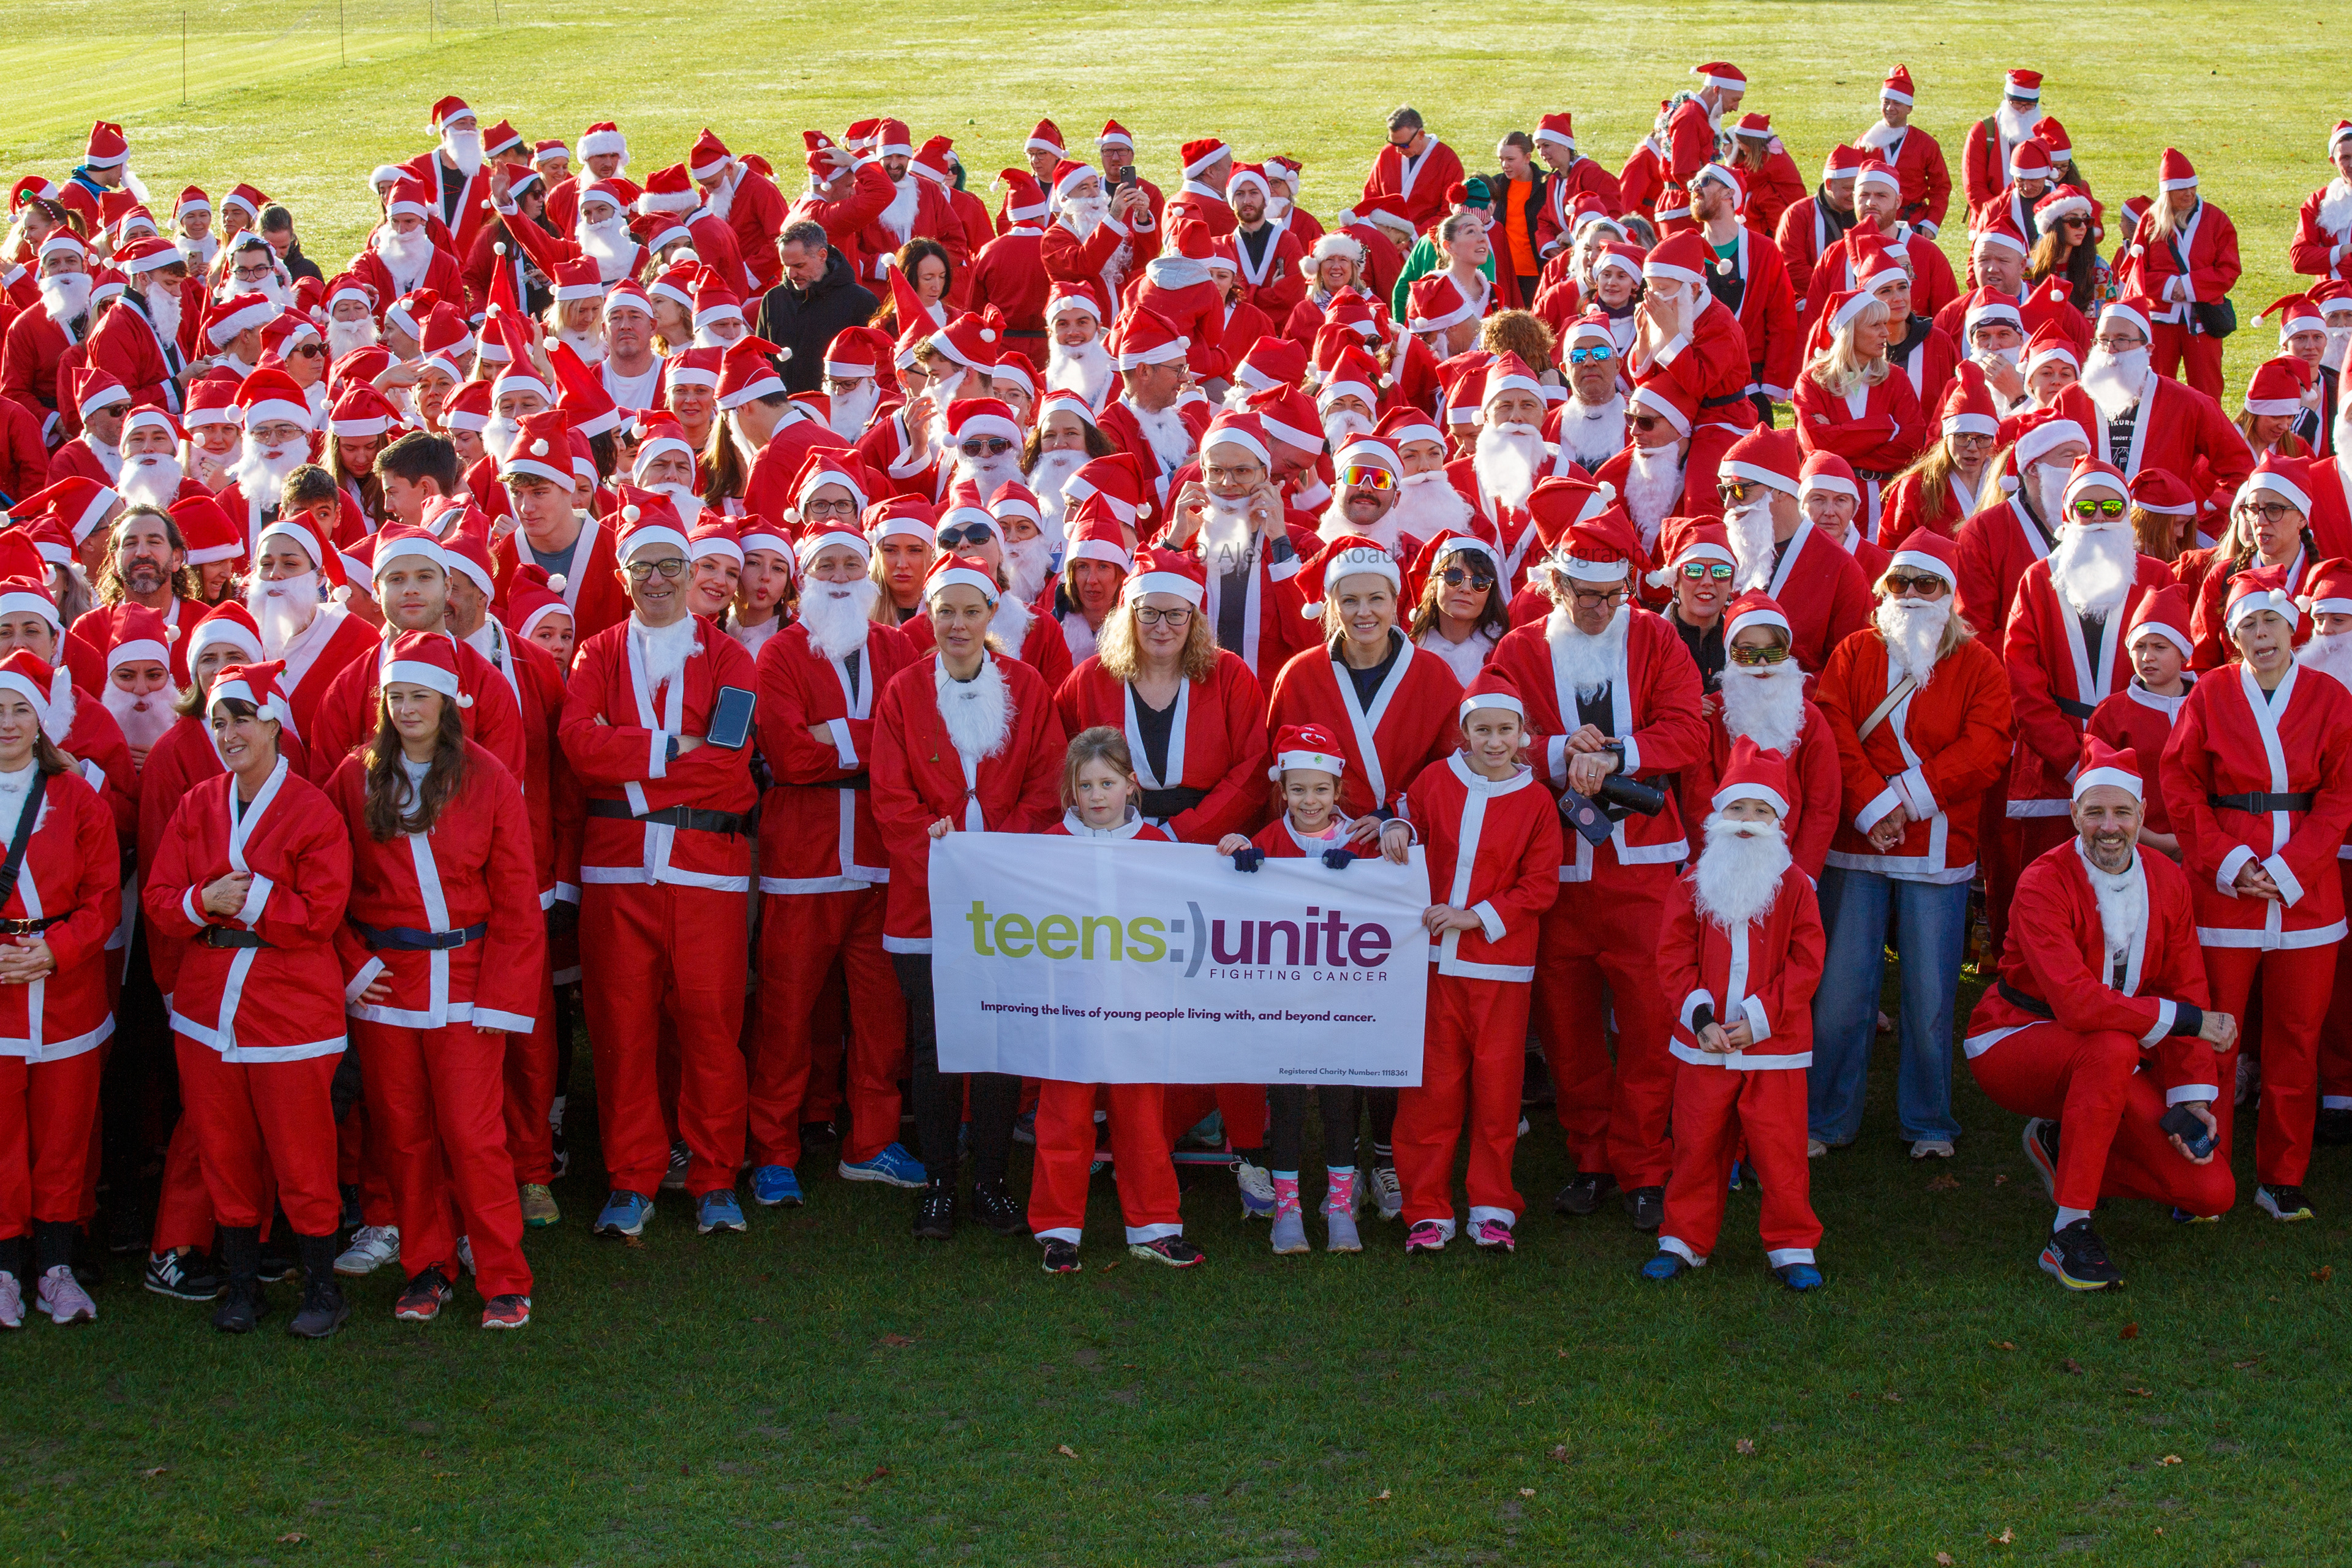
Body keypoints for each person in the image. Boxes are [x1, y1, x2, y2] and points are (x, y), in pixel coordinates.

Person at [1489, 499, 1706, 1227]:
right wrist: (1558, 753)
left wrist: (1616, 753)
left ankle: (1646, 1163)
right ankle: (1590, 1157)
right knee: (1569, 1021)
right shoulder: (1519, 649)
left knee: (1649, 1021)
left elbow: (1686, 733)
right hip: (1557, 866)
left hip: (1646, 860)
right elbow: (1490, 731)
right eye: (1584, 594)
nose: (1598, 608)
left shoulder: (1655, 638)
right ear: (1556, 586)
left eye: (1611, 595)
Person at [325, 633, 543, 1329]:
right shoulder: (354, 775)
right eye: (396, 696)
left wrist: (503, 998)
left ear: (446, 701)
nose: (407, 707)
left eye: (420, 694)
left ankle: (504, 1275)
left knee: (474, 1136)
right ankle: (426, 1266)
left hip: (469, 986)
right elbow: (323, 886)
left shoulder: (485, 776)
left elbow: (515, 896)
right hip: (388, 988)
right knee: (405, 1135)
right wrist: (354, 966)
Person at [1964, 737, 2237, 1287]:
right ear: (2074, 815)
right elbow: (2079, 1003)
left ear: (2141, 814)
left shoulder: (2168, 878)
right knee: (2111, 1049)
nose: (2108, 827)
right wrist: (2185, 1021)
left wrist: (2192, 1096)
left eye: (2121, 812)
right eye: (2094, 813)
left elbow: (2185, 983)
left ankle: (2062, 1146)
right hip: (2017, 1037)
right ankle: (2069, 1231)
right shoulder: (2043, 881)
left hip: (2112, 1051)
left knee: (2211, 1194)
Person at [559, 499, 760, 1241]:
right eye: (641, 566)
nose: (656, 579)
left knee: (711, 1026)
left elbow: (732, 756)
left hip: (707, 870)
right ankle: (630, 1176)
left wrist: (634, 758)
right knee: (622, 1029)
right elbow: (579, 745)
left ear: (692, 572)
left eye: (670, 565)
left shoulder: (731, 656)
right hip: (618, 874)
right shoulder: (598, 652)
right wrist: (675, 749)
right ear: (621, 574)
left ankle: (713, 1175)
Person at [143, 660, 355, 1337]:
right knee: (223, 1148)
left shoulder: (313, 807)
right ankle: (241, 1286)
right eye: (217, 720)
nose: (227, 731)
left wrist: (250, 897)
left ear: (273, 723)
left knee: (303, 1155)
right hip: (208, 1010)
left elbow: (320, 914)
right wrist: (202, 900)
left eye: (239, 716)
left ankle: (321, 1288)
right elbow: (157, 899)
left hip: (290, 1010)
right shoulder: (196, 802)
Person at [870, 552, 1063, 1240]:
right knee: (935, 1046)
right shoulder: (902, 691)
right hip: (926, 903)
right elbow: (891, 799)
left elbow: (1048, 785)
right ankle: (939, 1186)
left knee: (1001, 1042)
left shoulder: (1030, 686)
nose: (956, 623)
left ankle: (989, 1184)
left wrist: (996, 853)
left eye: (970, 610)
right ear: (928, 615)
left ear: (991, 616)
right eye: (944, 609)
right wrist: (943, 850)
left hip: (1008, 900)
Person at [1810, 532, 2013, 1158]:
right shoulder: (1852, 653)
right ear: (1884, 590)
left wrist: (1905, 798)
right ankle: (1825, 1116)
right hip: (1859, 837)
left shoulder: (1980, 663)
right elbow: (1832, 728)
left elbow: (1987, 745)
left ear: (1951, 595)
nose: (1914, 595)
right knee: (1842, 993)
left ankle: (1927, 1120)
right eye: (1902, 583)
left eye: (1929, 584)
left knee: (1929, 994)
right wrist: (1874, 804)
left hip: (1937, 847)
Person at [2160, 567, 2352, 1223]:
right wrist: (2231, 862)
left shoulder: (2331, 697)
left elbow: (2340, 795)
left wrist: (2292, 867)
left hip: (2308, 896)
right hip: (2226, 892)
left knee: (2296, 1039)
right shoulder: (2209, 694)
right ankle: (2203, 1177)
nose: (2261, 634)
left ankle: (2283, 1176)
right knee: (2213, 1037)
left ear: (2292, 626)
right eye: (2247, 625)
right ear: (2232, 634)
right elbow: (2181, 787)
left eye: (2270, 621)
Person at [747, 526, 924, 1207]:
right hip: (804, 857)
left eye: (854, 562)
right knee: (787, 1013)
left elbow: (915, 741)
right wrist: (870, 743)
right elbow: (789, 756)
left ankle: (872, 1143)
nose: (843, 574)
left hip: (882, 856)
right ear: (805, 576)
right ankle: (773, 1148)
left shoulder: (899, 646)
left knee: (881, 1016)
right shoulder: (781, 653)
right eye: (828, 564)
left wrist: (835, 736)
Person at [1381, 671, 1562, 1256]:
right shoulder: (1437, 779)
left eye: (1505, 730)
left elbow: (1539, 887)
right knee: (1431, 1092)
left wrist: (1476, 916)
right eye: (1482, 729)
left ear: (1523, 735)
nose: (1493, 741)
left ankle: (1491, 1205)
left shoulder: (1536, 801)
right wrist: (1397, 828)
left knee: (1498, 1093)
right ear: (1463, 733)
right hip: (1434, 968)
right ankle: (1426, 1208)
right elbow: (1408, 819)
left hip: (1501, 971)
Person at [1640, 740, 1828, 1289]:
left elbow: (1807, 959)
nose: (1748, 821)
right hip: (1705, 1043)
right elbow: (1673, 956)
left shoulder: (1794, 886)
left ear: (1779, 821)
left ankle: (1793, 1245)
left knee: (1781, 1149)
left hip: (1775, 1047)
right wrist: (1700, 1017)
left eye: (1762, 811)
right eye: (1738, 809)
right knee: (1697, 1143)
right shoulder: (1694, 883)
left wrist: (1760, 1017)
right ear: (1718, 815)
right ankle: (1683, 1239)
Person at [1030, 727, 1196, 1271]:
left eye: (1107, 782)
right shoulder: (1047, 847)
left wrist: (1232, 850)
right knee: (1063, 1118)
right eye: (1085, 786)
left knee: (1144, 1119)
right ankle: (1058, 1233)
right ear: (1070, 793)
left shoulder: (1160, 850)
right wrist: (947, 843)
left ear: (1131, 786)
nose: (1097, 796)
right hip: (1068, 1011)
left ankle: (1154, 1227)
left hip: (1137, 1013)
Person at [0, 649, 121, 1329]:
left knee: (64, 1136)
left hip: (66, 991)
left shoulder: (76, 797)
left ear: (43, 720)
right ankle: (4, 1270)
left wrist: (54, 951)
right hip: (1, 993)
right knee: (2, 1139)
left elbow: (103, 897)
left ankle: (53, 1266)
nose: (9, 723)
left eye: (21, 709)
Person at [2116, 150, 2239, 402]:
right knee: (2155, 388)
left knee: (2208, 392)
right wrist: (2171, 286)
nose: (2189, 194)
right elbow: (2131, 272)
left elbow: (2229, 270)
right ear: (2167, 193)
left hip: (2203, 320)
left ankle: (2208, 439)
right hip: (2160, 322)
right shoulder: (2150, 221)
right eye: (2181, 189)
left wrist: (2189, 286)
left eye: (2192, 187)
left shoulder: (2216, 220)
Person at [753, 219, 881, 396]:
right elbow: (761, 360)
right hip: (783, 412)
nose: (791, 275)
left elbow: (878, 367)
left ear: (822, 255)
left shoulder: (860, 301)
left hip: (836, 410)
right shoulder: (773, 299)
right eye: (786, 266)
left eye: (799, 265)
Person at [1880, 363, 1999, 548]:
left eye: (1983, 439)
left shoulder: (2005, 483)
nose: (1973, 448)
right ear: (1945, 438)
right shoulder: (1916, 486)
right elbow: (1891, 550)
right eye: (1962, 437)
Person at [1858, 65, 1952, 236]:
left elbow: (1941, 187)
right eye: (1886, 102)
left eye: (1897, 103)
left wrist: (1931, 224)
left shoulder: (1926, 144)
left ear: (1909, 108)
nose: (1890, 108)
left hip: (1913, 224)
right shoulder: (1865, 143)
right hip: (1872, 222)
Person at [1363, 108, 1464, 235]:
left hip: (1424, 242)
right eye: (1394, 144)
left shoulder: (1448, 161)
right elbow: (1370, 197)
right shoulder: (1387, 153)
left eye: (1405, 145)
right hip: (1383, 237)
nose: (1398, 151)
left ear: (1421, 135)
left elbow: (1450, 213)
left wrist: (1411, 237)